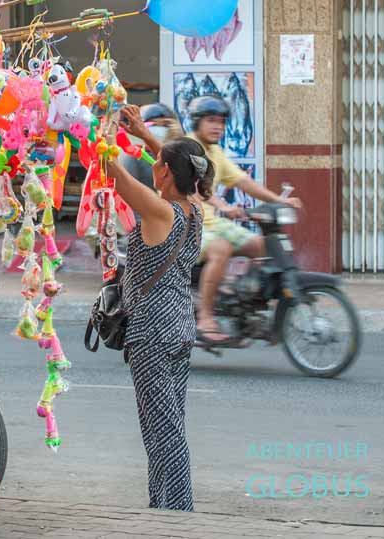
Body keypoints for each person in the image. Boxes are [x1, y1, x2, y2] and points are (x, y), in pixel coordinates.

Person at [108, 105, 214, 512]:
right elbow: (177, 161)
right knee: (166, 425)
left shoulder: (158, 210)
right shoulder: (194, 211)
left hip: (152, 332)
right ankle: (163, 508)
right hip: (180, 329)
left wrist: (90, 128)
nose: (153, 163)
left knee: (163, 431)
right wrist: (143, 135)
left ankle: (177, 514)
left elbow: (115, 175)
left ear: (166, 172)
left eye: (158, 162)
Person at [186, 96, 302, 343]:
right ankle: (206, 318)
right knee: (222, 249)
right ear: (197, 122)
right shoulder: (187, 148)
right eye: (211, 121)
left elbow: (243, 182)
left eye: (221, 122)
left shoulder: (215, 152)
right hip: (186, 226)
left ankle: (240, 303)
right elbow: (190, 188)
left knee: (264, 245)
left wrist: (279, 201)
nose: (217, 126)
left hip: (213, 224)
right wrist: (223, 205)